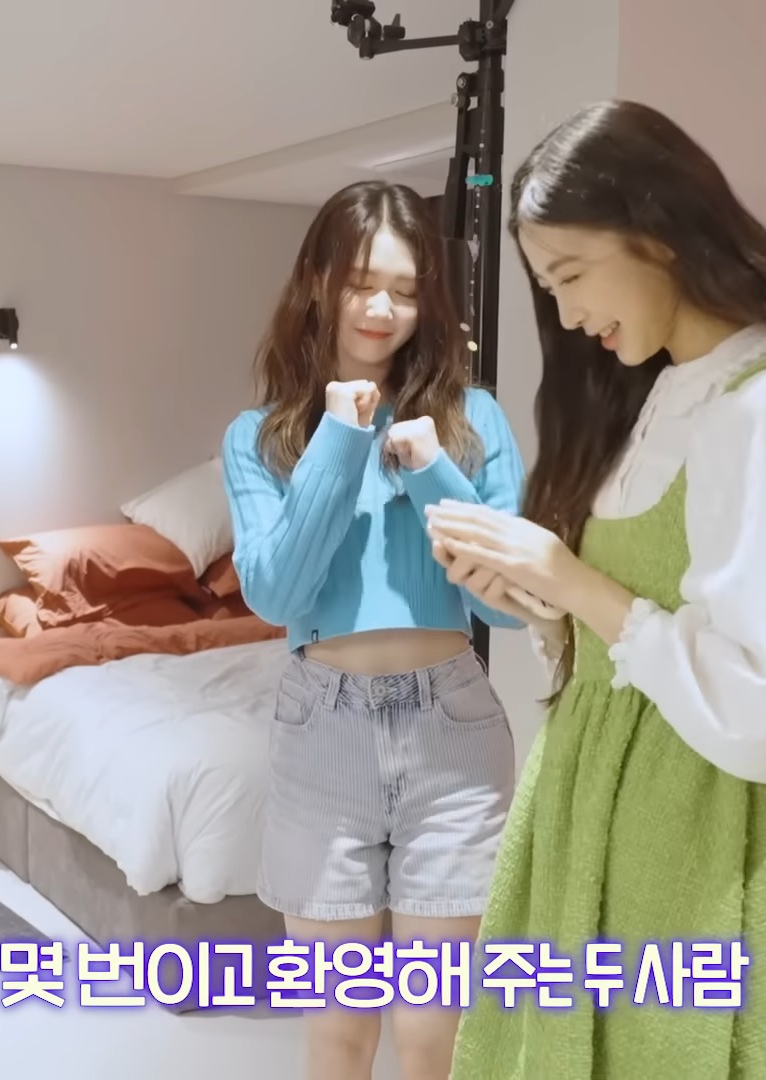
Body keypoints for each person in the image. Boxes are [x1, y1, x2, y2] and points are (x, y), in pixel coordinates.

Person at [424, 100, 766, 1077]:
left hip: (699, 835)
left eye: (570, 275)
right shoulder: (658, 394)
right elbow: (634, 632)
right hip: (599, 814)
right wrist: (544, 599)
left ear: (658, 231)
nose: (567, 316)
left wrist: (572, 579)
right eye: (548, 288)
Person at [220, 179, 529, 1080]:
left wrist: (431, 467)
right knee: (340, 1031)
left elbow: (508, 604)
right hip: (323, 735)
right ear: (318, 281)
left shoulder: (474, 420)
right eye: (361, 283)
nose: (382, 309)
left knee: (435, 1035)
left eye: (403, 289)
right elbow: (276, 592)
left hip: (454, 736)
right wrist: (338, 440)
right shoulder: (260, 437)